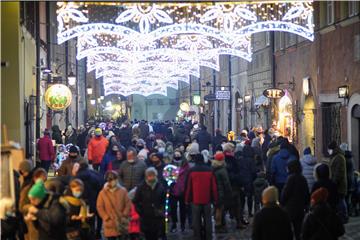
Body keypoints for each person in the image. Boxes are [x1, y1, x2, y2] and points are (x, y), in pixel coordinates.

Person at [185, 154, 218, 240]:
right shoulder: (210, 170)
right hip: (207, 199)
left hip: (195, 200)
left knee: (196, 220)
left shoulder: (192, 171)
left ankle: (198, 237)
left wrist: (187, 199)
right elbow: (214, 187)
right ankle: (208, 237)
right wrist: (215, 198)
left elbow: (189, 187)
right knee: (208, 220)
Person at [97, 171, 131, 240]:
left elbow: (128, 204)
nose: (113, 181)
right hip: (110, 222)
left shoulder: (123, 191)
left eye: (114, 179)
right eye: (110, 179)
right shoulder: (102, 193)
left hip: (121, 222)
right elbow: (100, 207)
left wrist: (124, 214)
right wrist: (105, 217)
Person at [133, 167, 166, 240]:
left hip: (157, 216)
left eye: (152, 175)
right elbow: (136, 201)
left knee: (156, 235)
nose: (151, 177)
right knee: (148, 235)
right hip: (145, 216)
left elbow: (164, 200)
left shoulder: (160, 186)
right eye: (149, 175)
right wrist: (140, 212)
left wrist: (162, 210)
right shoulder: (141, 187)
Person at [281, 160, 309, 240]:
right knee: (298, 230)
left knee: (288, 230)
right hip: (300, 208)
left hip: (290, 208)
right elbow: (307, 194)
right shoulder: (303, 178)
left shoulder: (291, 178)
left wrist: (282, 203)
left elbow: (285, 194)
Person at [226, 142, 246, 228]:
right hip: (233, 185)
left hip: (228, 185)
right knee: (237, 204)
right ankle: (239, 222)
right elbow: (233, 173)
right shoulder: (231, 160)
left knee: (228, 205)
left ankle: (236, 221)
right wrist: (238, 178)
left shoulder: (226, 159)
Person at [171, 150, 191, 232]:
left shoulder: (186, 166)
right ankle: (174, 223)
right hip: (173, 190)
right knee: (173, 209)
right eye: (175, 154)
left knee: (183, 209)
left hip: (183, 190)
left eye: (178, 154)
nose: (176, 156)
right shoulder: (171, 166)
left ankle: (182, 224)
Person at [327, 141, 348, 222]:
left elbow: (339, 172)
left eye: (329, 149)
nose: (328, 151)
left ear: (333, 149)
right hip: (336, 183)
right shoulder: (334, 156)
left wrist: (334, 182)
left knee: (341, 200)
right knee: (340, 200)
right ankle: (342, 215)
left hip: (340, 184)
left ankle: (344, 216)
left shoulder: (339, 157)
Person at [212, 152, 232, 232]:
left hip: (214, 191)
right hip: (221, 192)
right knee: (219, 209)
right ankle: (218, 225)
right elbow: (226, 182)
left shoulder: (213, 167)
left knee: (217, 208)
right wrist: (229, 192)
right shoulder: (222, 169)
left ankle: (219, 223)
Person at [238, 145, 257, 218]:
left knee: (242, 198)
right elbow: (253, 172)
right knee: (249, 198)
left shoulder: (240, 160)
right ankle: (249, 212)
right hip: (250, 180)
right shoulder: (251, 161)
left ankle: (242, 211)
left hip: (242, 181)